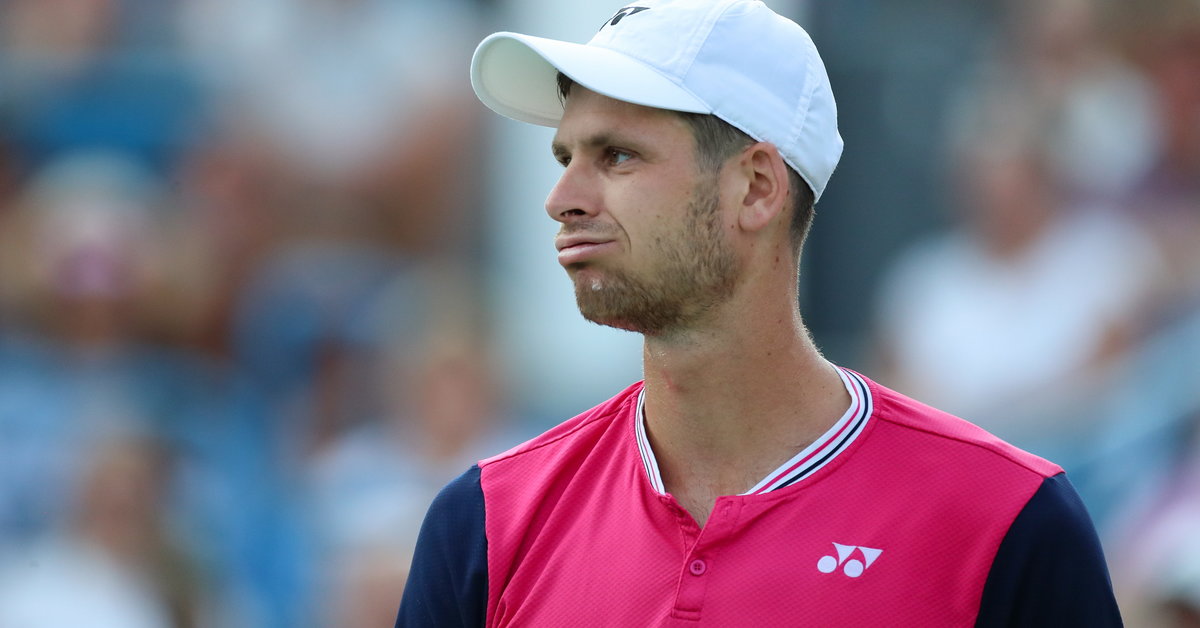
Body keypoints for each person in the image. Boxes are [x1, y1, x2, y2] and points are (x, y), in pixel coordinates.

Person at [396, 1, 1122, 625]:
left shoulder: (1009, 522)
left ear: (756, 188)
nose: (564, 199)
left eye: (617, 156)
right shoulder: (484, 525)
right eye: (565, 157)